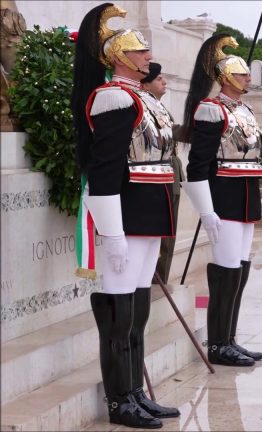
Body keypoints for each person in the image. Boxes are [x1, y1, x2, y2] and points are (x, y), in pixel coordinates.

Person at [71, 3, 179, 428]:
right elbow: (105, 168)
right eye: (139, 50)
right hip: (127, 211)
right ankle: (120, 401)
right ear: (119, 57)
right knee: (119, 308)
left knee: (136, 306)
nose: (147, 54)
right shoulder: (113, 97)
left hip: (150, 210)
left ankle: (135, 390)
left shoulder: (140, 97)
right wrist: (112, 235)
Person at [182, 34, 262, 367]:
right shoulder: (211, 110)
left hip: (246, 194)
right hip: (225, 195)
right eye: (243, 74)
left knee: (240, 269)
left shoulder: (244, 109)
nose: (248, 78)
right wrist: (206, 210)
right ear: (227, 77)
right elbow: (197, 164)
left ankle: (229, 338)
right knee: (227, 268)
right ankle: (217, 343)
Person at [139, 62, 184, 285]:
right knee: (159, 234)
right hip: (157, 174)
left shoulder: (160, 107)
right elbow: (172, 132)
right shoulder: (146, 107)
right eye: (158, 79)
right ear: (145, 85)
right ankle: (152, 278)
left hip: (172, 174)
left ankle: (160, 278)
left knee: (169, 235)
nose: (164, 82)